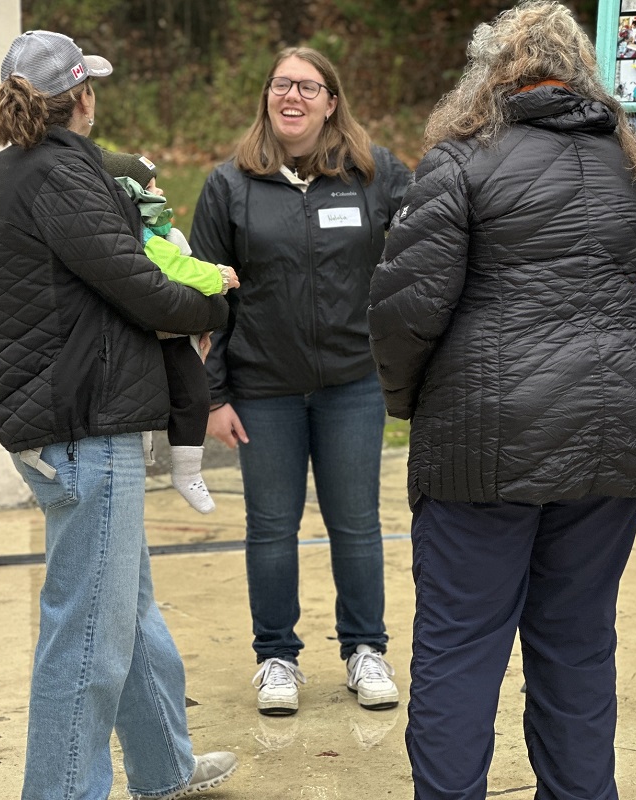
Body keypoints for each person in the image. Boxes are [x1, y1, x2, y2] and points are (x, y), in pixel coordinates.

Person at [367, 3, 636, 799]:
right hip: (610, 433)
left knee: (460, 649)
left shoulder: (462, 160)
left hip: (484, 444)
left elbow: (404, 312)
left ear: (491, 67)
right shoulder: (625, 160)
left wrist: (405, 401)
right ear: (579, 68)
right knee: (577, 647)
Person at [0, 30, 238, 799]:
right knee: (87, 636)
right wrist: (212, 299)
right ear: (82, 96)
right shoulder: (65, 172)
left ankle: (163, 769)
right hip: (86, 426)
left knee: (128, 610)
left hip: (54, 422)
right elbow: (138, 284)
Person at [189, 46, 411, 716]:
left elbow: (431, 244)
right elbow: (205, 302)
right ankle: (276, 658)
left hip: (352, 385)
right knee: (271, 526)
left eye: (307, 87)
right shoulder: (229, 186)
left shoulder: (375, 175)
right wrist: (214, 396)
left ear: (331, 101)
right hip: (263, 389)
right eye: (280, 85)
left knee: (356, 523)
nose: (292, 97)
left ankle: (365, 650)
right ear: (266, 97)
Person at [100, 150, 238, 514]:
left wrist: (203, 324)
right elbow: (175, 267)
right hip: (158, 335)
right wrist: (218, 278)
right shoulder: (139, 238)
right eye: (150, 186)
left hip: (178, 333)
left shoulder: (161, 231)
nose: (159, 192)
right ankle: (184, 470)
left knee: (193, 396)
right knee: (181, 398)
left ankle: (187, 470)